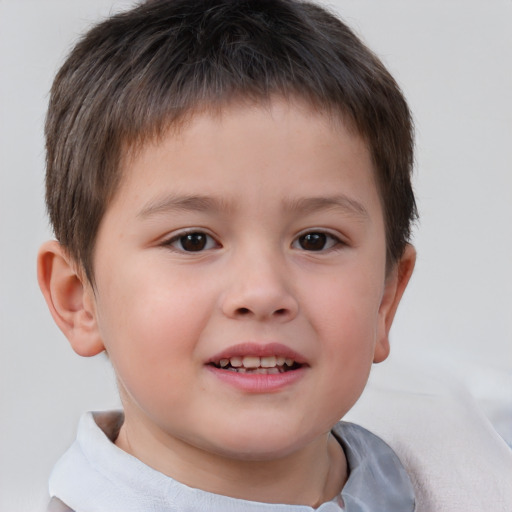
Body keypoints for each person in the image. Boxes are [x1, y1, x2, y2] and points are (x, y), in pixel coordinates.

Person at [37, 0, 417, 510]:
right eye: (192, 240)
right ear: (79, 299)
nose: (262, 293)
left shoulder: (451, 474)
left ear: (385, 300)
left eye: (315, 240)